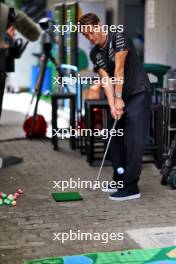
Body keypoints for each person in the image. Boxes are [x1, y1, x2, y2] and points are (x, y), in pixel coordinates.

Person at [79, 13, 152, 201]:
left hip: (138, 93)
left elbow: (119, 69)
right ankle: (119, 179)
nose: (90, 37)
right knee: (113, 136)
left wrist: (119, 98)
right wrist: (113, 105)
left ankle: (131, 187)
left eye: (91, 32)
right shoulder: (95, 53)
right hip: (120, 97)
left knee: (134, 142)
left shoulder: (118, 36)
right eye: (86, 36)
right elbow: (106, 80)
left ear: (99, 25)